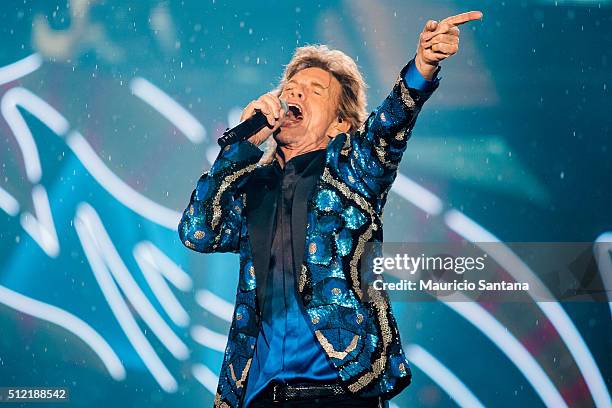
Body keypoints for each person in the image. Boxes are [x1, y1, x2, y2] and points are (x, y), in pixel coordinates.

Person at [178, 11, 483, 408]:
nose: (296, 94)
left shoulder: (356, 170)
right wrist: (241, 146)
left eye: (314, 90)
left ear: (340, 123)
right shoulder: (253, 185)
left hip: (340, 390)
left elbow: (391, 123)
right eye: (291, 86)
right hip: (260, 396)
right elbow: (197, 231)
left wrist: (424, 65)